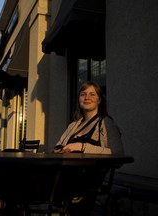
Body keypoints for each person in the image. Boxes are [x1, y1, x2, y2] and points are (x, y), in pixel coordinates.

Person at [53, 81, 125, 215]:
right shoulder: (73, 125)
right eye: (83, 94)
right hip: (65, 178)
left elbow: (118, 154)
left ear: (99, 100)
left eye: (92, 94)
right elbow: (58, 146)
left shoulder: (106, 123)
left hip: (88, 183)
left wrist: (82, 146)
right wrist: (60, 150)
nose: (87, 97)